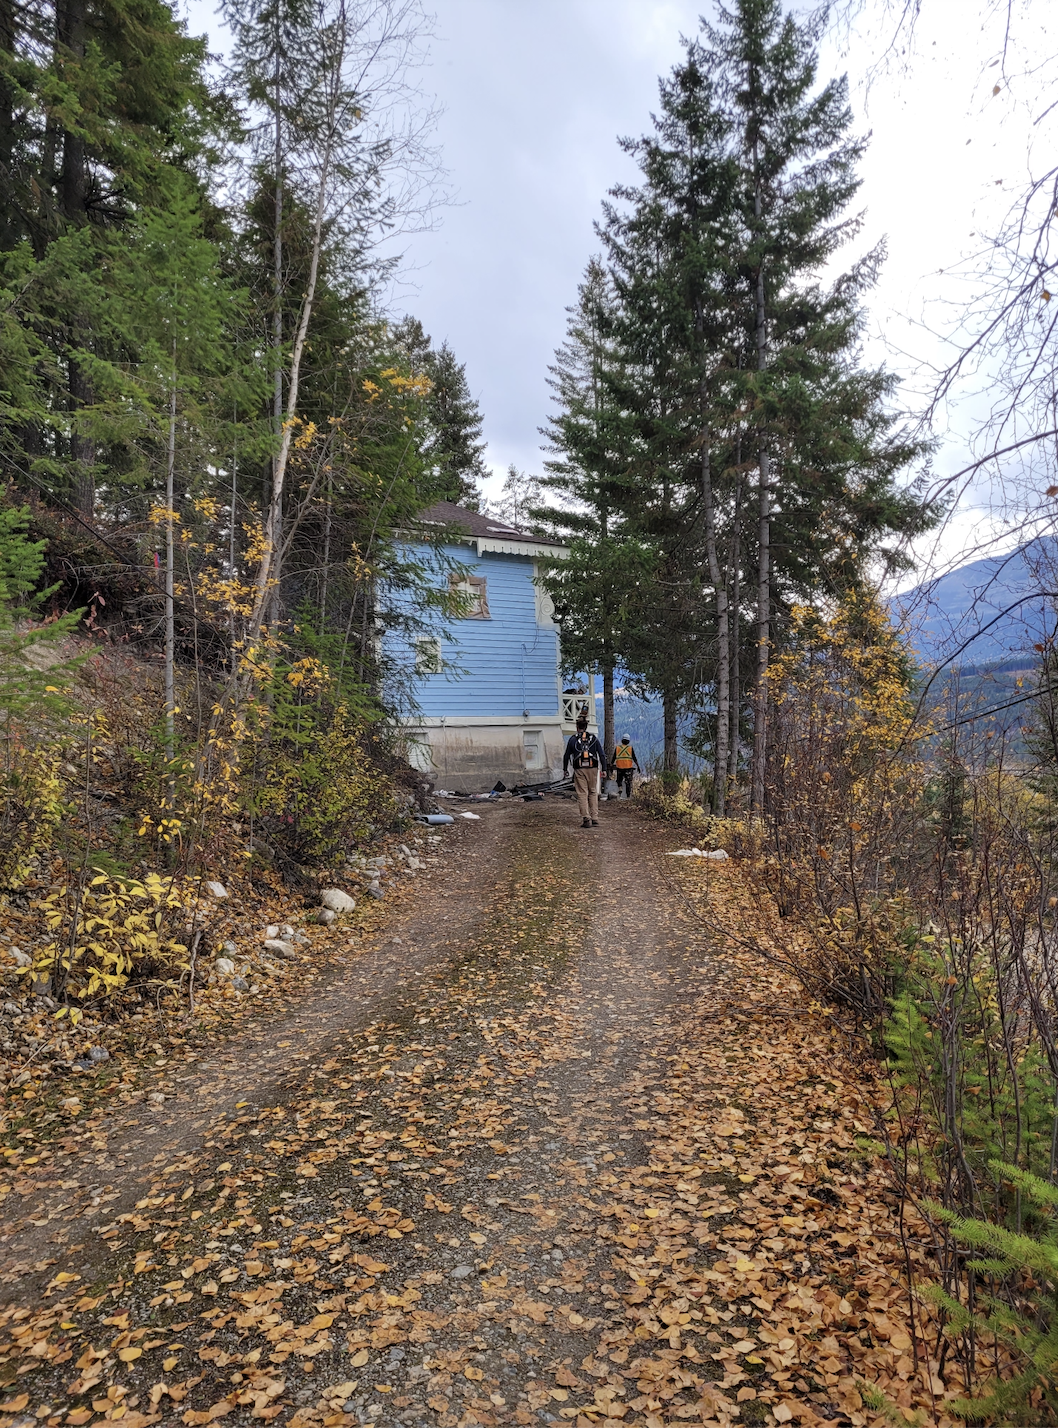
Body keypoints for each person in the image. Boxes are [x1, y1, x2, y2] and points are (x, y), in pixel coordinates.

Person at [562, 714, 606, 828]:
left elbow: (566, 755)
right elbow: (601, 754)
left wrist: (565, 769)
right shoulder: (593, 739)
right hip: (593, 768)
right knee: (592, 792)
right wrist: (604, 769)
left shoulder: (573, 739)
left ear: (577, 727)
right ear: (586, 727)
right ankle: (595, 817)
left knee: (582, 793)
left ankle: (586, 818)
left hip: (580, 769)